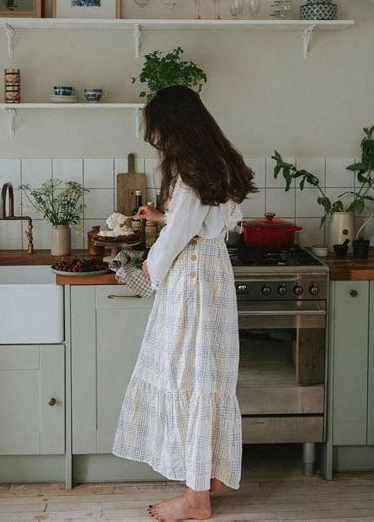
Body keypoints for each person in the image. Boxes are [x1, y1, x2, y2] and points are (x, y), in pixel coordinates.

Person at [112, 85, 257, 522]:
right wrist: (164, 216)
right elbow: (214, 219)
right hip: (211, 271)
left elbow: (179, 237)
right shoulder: (217, 160)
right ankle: (205, 476)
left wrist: (148, 271)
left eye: (157, 128)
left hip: (192, 276)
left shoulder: (190, 169)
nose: (155, 138)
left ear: (174, 127)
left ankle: (197, 500)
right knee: (204, 374)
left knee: (187, 375)